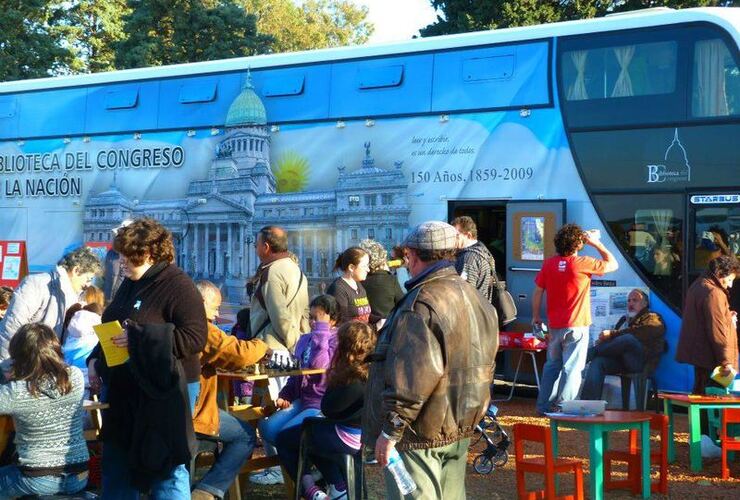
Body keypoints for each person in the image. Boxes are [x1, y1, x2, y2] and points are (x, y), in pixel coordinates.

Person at [363, 221, 499, 500]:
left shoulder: (421, 303)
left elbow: (412, 378)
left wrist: (391, 431)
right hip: (459, 424)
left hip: (421, 431)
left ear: (412, 255)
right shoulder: (473, 295)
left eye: (407, 257)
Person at [88, 217, 207, 497]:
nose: (122, 262)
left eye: (130, 257)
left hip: (167, 388)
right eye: (121, 256)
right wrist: (94, 359)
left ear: (151, 255)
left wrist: (139, 339)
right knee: (118, 457)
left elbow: (194, 338)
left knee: (166, 463)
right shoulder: (130, 283)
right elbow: (116, 327)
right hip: (127, 386)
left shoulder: (178, 285)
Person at [276, 321, 376, 500]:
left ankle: (310, 491)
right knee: (313, 432)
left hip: (346, 437)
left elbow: (328, 408)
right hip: (362, 435)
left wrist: (334, 375)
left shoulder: (352, 379)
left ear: (344, 347)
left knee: (285, 439)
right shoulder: (373, 372)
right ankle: (337, 485)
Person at [191, 281, 270, 500]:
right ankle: (206, 491)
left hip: (170, 408)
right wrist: (262, 346)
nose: (217, 315)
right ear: (202, 302)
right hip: (193, 413)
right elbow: (236, 352)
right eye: (215, 308)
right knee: (245, 435)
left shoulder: (176, 321)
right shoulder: (200, 327)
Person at [252, 294, 340, 486]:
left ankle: (313, 478)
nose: (313, 322)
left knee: (286, 436)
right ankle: (311, 468)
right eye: (311, 317)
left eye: (318, 319)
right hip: (302, 400)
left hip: (320, 403)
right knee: (267, 428)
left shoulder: (336, 340)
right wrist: (286, 394)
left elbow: (320, 364)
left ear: (332, 320)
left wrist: (322, 332)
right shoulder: (304, 340)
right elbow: (297, 372)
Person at [532, 224, 618, 415]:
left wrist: (536, 316)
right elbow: (613, 264)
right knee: (572, 368)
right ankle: (565, 408)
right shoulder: (582, 263)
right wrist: (596, 243)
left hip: (554, 325)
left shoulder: (548, 264)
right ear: (578, 245)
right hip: (577, 325)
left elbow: (538, 291)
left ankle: (543, 406)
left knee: (552, 366)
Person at [0, 323, 89, 497]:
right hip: (79, 474)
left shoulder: (16, 392)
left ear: (19, 356)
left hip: (37, 477)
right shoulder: (76, 377)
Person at [0, 246, 101, 361]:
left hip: (47, 369)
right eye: (88, 279)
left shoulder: (73, 295)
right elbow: (10, 328)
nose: (88, 285)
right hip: (25, 367)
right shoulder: (36, 284)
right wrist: (8, 368)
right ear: (76, 270)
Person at [580, 289, 666, 400]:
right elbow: (616, 342)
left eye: (635, 300)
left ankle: (588, 354)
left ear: (645, 303)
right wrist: (605, 341)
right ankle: (588, 405)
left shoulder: (652, 317)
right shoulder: (625, 319)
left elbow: (641, 333)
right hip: (623, 361)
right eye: (629, 301)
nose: (630, 303)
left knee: (628, 338)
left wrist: (612, 334)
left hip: (641, 362)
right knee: (598, 362)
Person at [676, 255, 739, 394]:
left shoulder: (699, 285)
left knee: (701, 393)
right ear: (720, 273)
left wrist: (728, 317)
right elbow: (717, 330)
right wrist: (726, 361)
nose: (730, 285)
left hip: (701, 356)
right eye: (729, 280)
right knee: (713, 401)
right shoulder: (714, 293)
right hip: (712, 359)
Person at [250, 225, 310, 353]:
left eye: (256, 245)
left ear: (266, 247)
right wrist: (302, 342)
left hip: (272, 346)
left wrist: (293, 345)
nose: (255, 249)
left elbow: (279, 316)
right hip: (294, 343)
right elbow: (305, 312)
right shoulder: (298, 271)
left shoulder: (272, 272)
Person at [358, 239, 404, 328]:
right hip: (387, 328)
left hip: (364, 330)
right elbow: (402, 304)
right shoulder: (390, 280)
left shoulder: (359, 281)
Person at [452, 215, 497, 301]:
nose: (453, 239)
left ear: (468, 235)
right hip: (483, 306)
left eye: (456, 236)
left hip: (472, 310)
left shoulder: (469, 258)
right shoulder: (483, 251)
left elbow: (465, 293)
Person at [327, 247, 371, 325]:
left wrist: (382, 319)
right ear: (351, 267)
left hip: (362, 335)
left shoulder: (359, 286)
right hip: (347, 336)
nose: (368, 270)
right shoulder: (338, 289)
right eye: (364, 266)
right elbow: (340, 321)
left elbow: (365, 315)